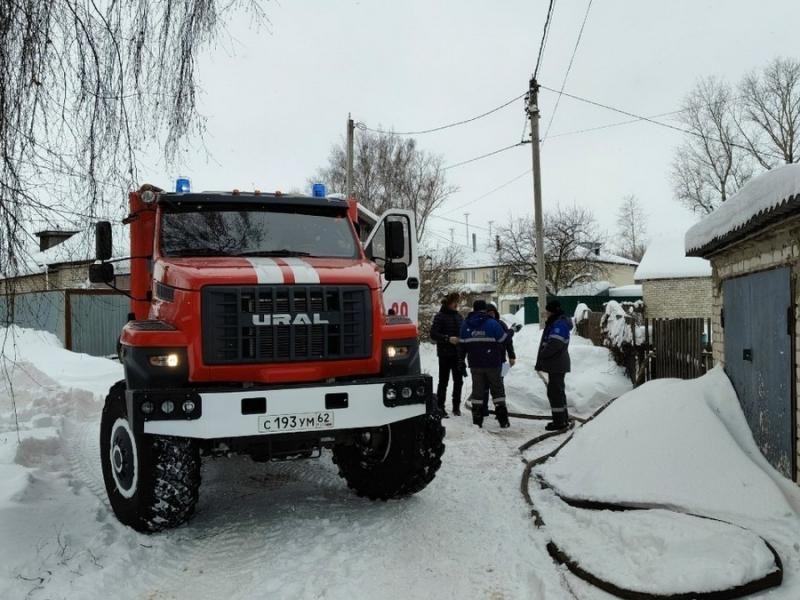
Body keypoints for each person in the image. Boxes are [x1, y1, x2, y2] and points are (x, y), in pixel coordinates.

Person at [460, 299, 510, 429]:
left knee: (477, 391)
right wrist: (511, 332)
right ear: (485, 309)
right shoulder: (492, 323)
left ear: (474, 308)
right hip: (493, 362)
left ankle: (477, 420)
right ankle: (503, 420)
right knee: (497, 389)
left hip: (475, 363)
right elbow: (503, 340)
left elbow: (462, 346)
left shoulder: (466, 324)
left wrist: (461, 361)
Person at [535, 300, 573, 431]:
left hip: (557, 363)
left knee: (555, 393)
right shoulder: (557, 322)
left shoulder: (559, 324)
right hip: (556, 363)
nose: (546, 314)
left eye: (548, 311)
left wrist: (543, 354)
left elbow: (555, 343)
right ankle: (563, 418)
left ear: (552, 312)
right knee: (557, 391)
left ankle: (559, 422)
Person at [429, 292, 464, 417]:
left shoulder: (459, 317)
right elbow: (433, 334)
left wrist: (462, 340)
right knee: (444, 381)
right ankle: (440, 407)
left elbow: (463, 332)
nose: (457, 305)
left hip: (458, 354)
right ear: (449, 303)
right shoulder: (440, 316)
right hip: (444, 354)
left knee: (458, 381)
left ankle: (456, 407)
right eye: (455, 302)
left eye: (458, 302)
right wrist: (447, 338)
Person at [480, 304, 516, 417]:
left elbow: (508, 341)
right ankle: (483, 409)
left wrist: (512, 355)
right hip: (485, 361)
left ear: (496, 313)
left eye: (492, 312)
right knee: (484, 386)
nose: (491, 314)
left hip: (501, 360)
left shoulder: (501, 324)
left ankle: (500, 411)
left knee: (500, 386)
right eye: (488, 312)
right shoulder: (481, 325)